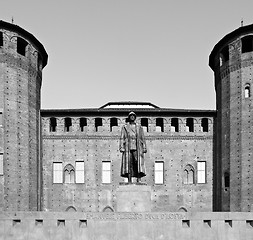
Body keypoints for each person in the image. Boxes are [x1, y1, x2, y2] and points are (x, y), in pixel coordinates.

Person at [119, 112, 147, 183]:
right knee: (129, 163)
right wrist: (121, 146)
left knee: (137, 162)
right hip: (128, 147)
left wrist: (144, 147)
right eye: (130, 116)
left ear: (135, 117)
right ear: (129, 117)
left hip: (137, 147)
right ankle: (129, 179)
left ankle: (139, 178)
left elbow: (142, 137)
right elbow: (122, 137)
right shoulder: (125, 127)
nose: (132, 117)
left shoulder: (139, 127)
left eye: (133, 116)